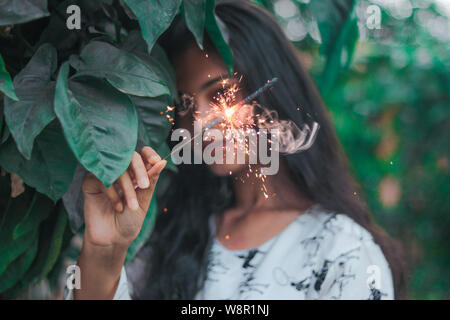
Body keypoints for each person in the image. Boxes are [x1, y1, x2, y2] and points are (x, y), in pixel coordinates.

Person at [65, 0, 406, 300]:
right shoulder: (168, 237)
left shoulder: (343, 251)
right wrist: (105, 251)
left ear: (274, 89)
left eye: (220, 95)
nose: (199, 123)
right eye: (185, 106)